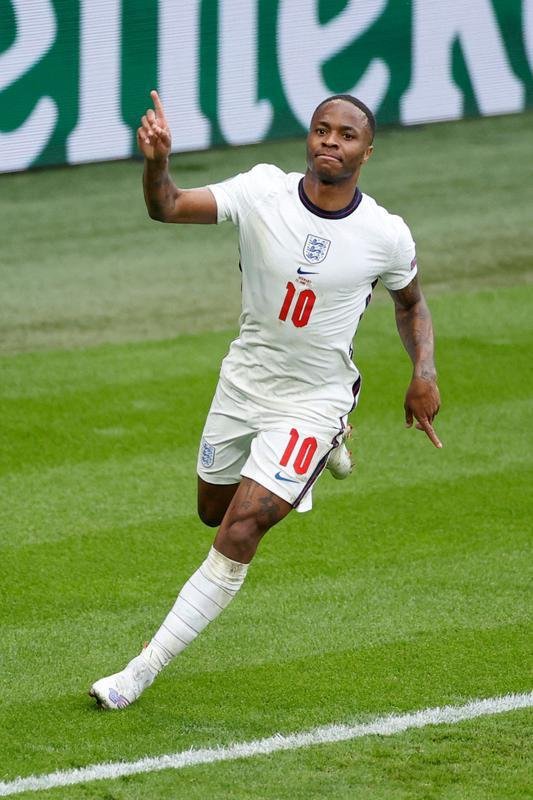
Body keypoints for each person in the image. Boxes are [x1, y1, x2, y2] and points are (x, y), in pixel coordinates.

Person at [90, 90, 441, 710]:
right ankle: (323, 456)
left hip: (314, 399)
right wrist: (157, 163)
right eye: (322, 129)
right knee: (212, 509)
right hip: (244, 383)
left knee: (241, 528)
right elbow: (167, 206)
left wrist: (424, 372)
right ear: (308, 136)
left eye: (347, 135)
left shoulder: (385, 234)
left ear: (367, 151)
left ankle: (139, 671)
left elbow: (410, 304)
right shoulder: (261, 191)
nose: (331, 141)